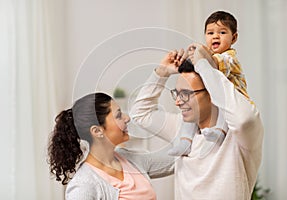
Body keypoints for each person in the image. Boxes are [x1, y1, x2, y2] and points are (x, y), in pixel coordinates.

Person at [130, 46, 264, 199]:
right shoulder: (181, 129)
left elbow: (244, 119)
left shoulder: (239, 135)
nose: (178, 102)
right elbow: (140, 113)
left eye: (186, 94)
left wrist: (203, 65)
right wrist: (161, 73)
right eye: (177, 93)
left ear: (213, 93)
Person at [47, 92, 174, 200]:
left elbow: (176, 157)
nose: (127, 118)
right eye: (118, 115)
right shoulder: (83, 186)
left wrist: (160, 74)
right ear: (97, 131)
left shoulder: (130, 159)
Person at [168, 10, 252, 156]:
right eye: (210, 33)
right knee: (191, 116)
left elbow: (213, 65)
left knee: (222, 112)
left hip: (231, 101)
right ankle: (185, 142)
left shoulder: (229, 57)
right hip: (215, 98)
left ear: (234, 37)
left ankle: (219, 132)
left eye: (222, 32)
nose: (215, 36)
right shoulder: (208, 55)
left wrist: (200, 54)